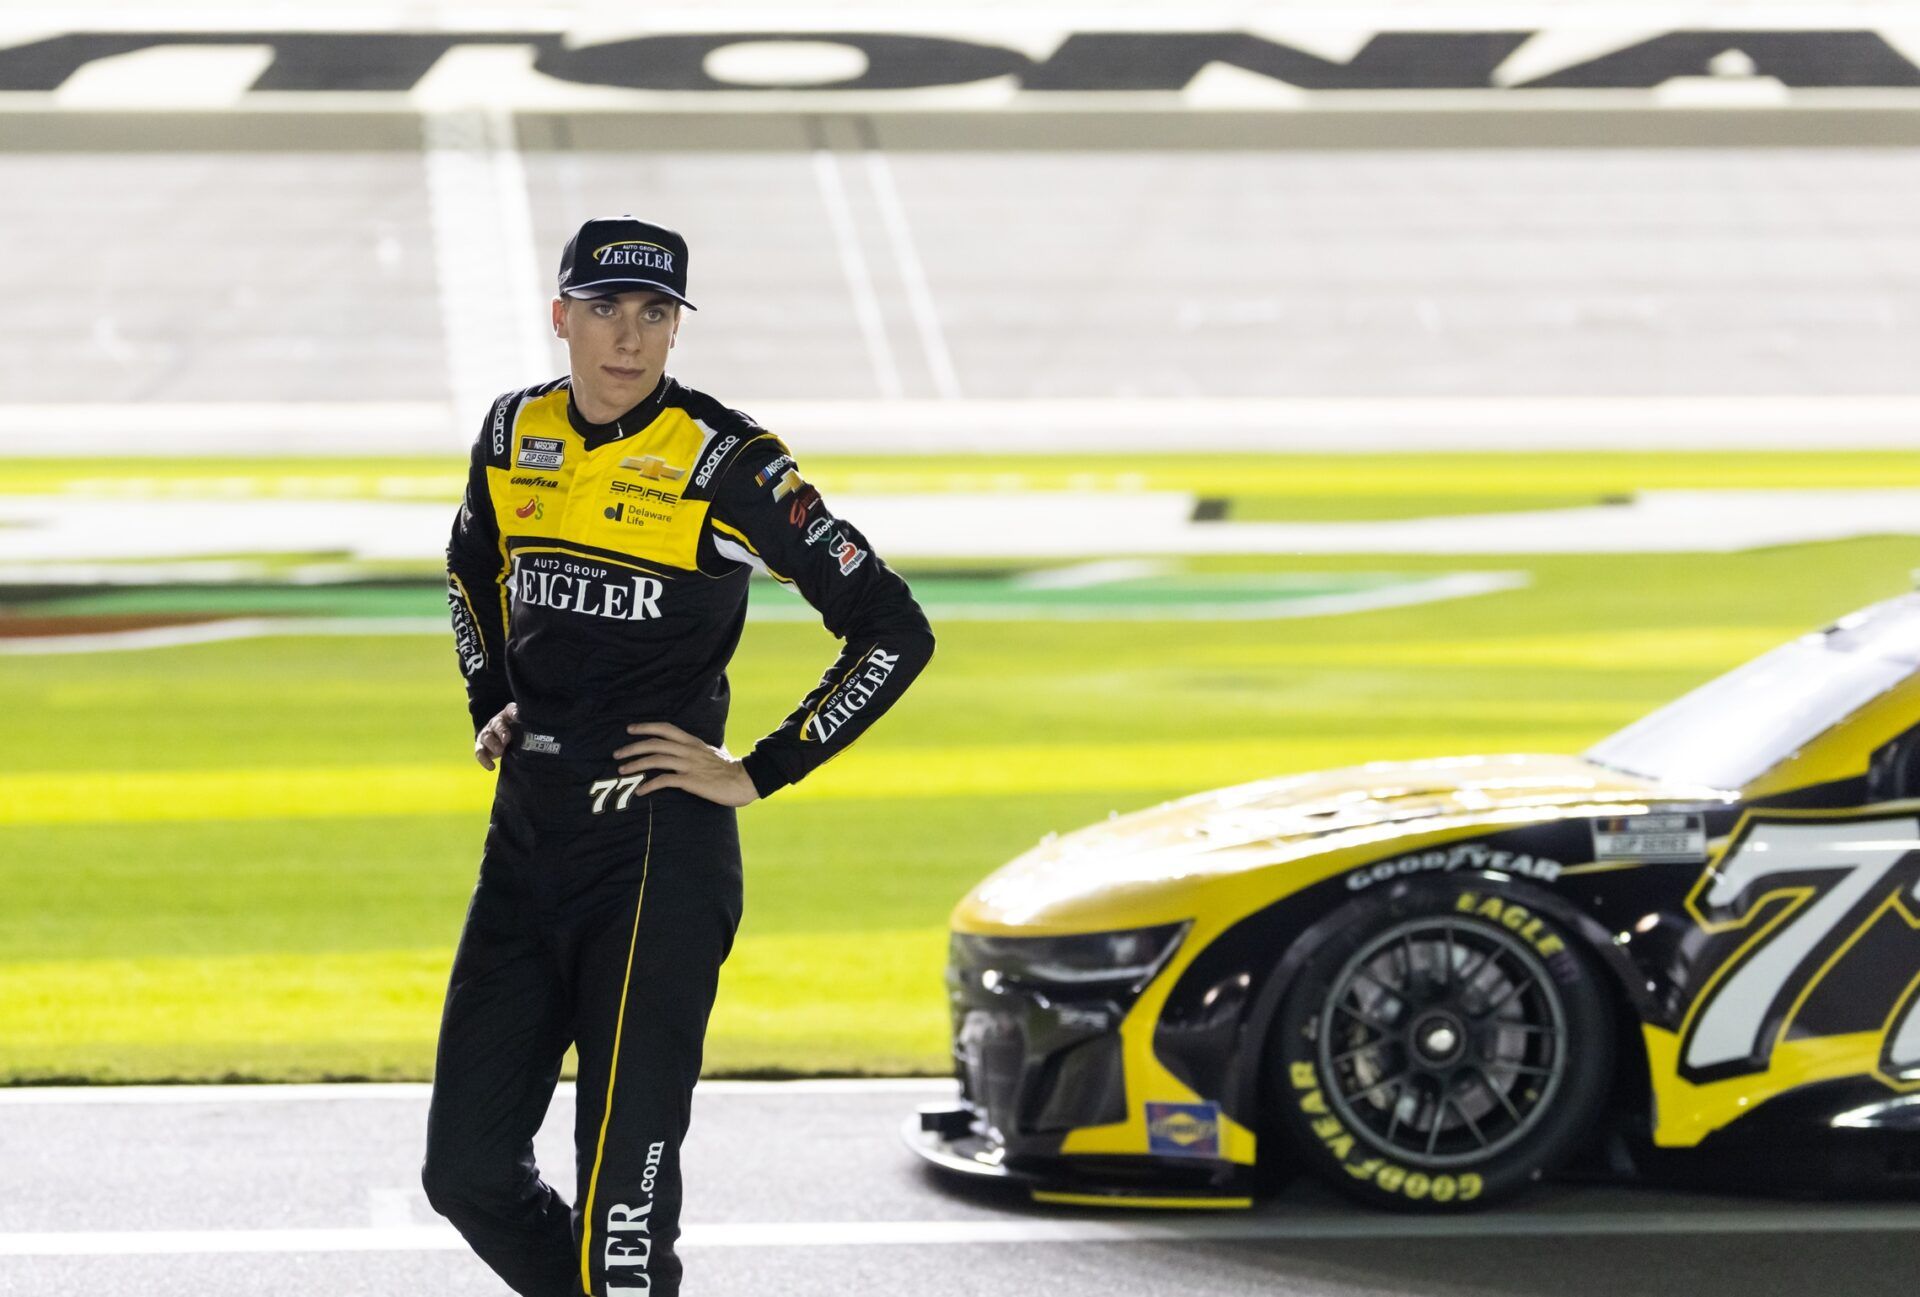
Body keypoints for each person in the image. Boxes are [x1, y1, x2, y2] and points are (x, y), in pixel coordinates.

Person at [420, 214, 935, 1297]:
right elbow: (470, 563)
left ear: (675, 328)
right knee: (465, 1171)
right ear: (561, 316)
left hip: (657, 856)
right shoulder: (513, 430)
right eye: (605, 308)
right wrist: (492, 696)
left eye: (655, 313)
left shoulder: (728, 462)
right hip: (526, 841)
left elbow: (893, 628)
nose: (630, 337)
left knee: (622, 1227)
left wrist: (760, 768)